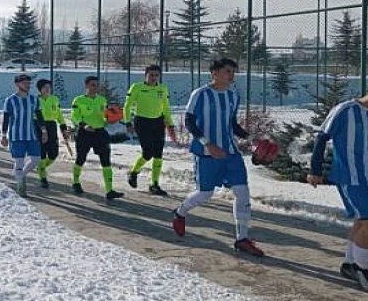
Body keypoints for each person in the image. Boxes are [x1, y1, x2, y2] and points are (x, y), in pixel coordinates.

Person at [308, 77, 368, 294]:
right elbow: (322, 137)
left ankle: (349, 265)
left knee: (363, 223)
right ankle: (363, 271)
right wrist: (315, 170)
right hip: (350, 176)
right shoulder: (345, 110)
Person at [172, 58, 264, 257]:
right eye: (227, 71)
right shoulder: (200, 94)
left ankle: (242, 238)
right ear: (214, 73)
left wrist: (252, 139)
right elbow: (189, 122)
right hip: (206, 153)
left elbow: (232, 123)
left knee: (243, 192)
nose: (231, 76)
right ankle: (180, 212)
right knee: (205, 194)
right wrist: (208, 144)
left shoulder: (233, 94)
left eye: (233, 72)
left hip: (230, 152)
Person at [123, 64, 175, 196]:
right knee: (148, 152)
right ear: (145, 75)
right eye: (151, 75)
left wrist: (170, 124)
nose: (154, 77)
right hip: (142, 122)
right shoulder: (137, 87)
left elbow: (166, 107)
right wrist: (128, 122)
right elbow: (127, 106)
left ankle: (154, 184)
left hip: (158, 122)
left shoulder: (162, 88)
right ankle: (134, 172)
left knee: (158, 154)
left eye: (156, 75)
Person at [71, 76, 123, 203]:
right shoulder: (78, 100)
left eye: (97, 85)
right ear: (87, 86)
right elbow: (74, 116)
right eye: (93, 85)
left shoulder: (102, 100)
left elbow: (103, 116)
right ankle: (76, 182)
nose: (95, 87)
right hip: (85, 133)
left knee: (106, 160)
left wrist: (110, 119)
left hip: (100, 133)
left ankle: (110, 191)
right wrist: (84, 125)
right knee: (81, 158)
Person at [1, 74, 47, 197]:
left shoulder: (34, 99)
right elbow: (6, 118)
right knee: (19, 161)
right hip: (16, 136)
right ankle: (21, 186)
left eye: (28, 83)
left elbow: (39, 116)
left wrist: (44, 131)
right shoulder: (10, 100)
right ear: (17, 84)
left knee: (36, 160)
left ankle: (20, 175)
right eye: (24, 83)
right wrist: (4, 135)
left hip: (31, 135)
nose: (27, 85)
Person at [35, 79, 69, 189]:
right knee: (41, 152)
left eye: (49, 87)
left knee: (53, 154)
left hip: (52, 126)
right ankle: (43, 177)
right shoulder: (35, 100)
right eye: (45, 87)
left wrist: (63, 127)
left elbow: (59, 114)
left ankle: (41, 167)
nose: (48, 89)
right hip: (38, 126)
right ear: (40, 89)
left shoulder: (54, 99)